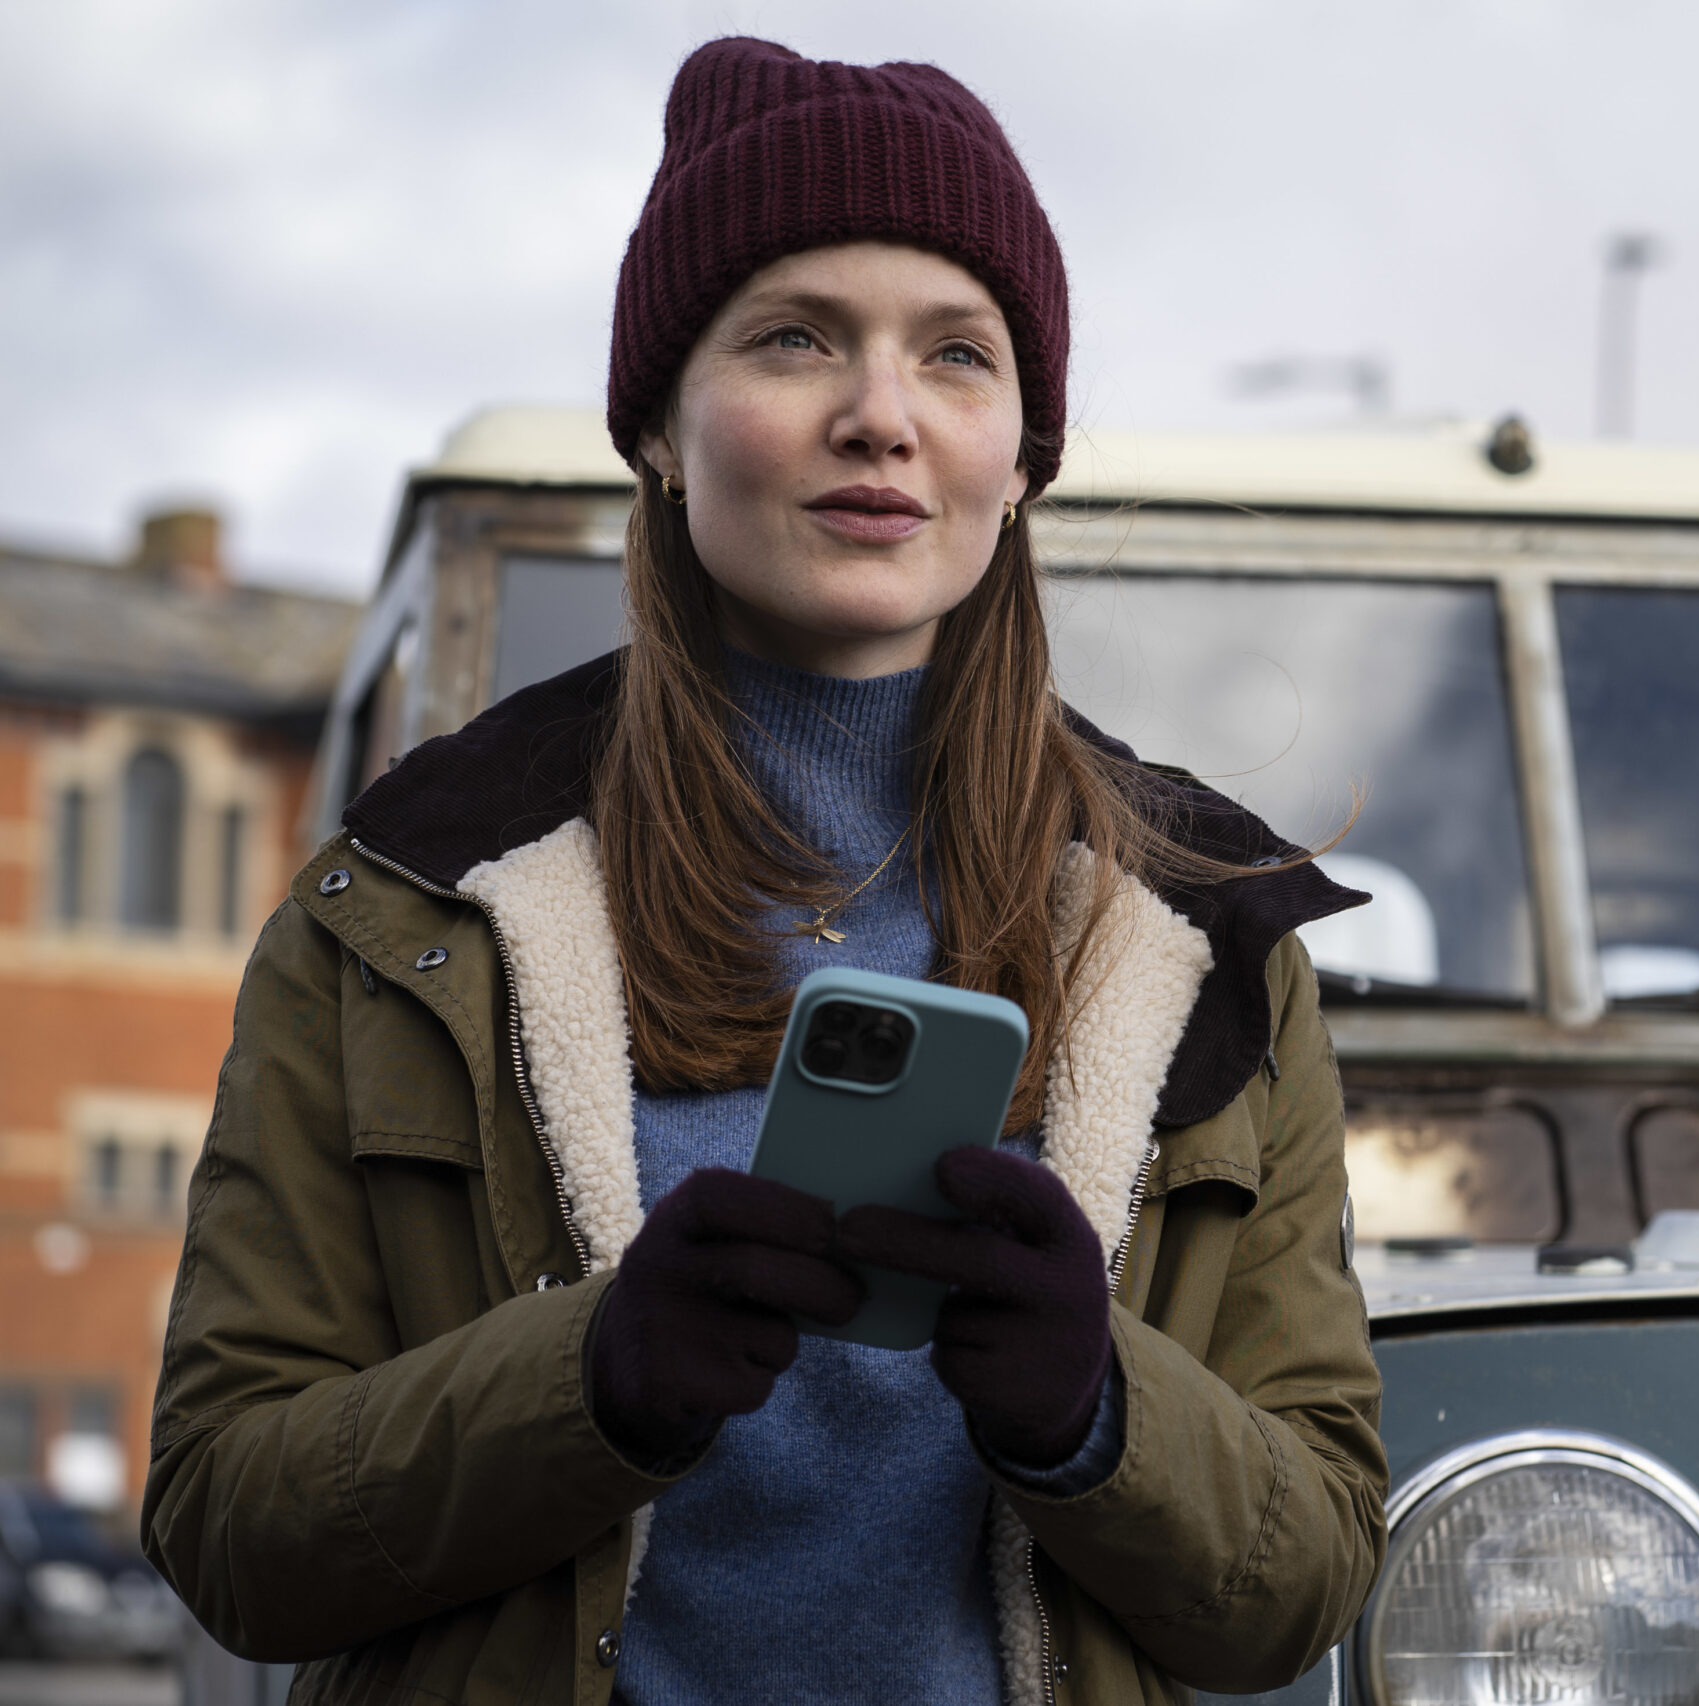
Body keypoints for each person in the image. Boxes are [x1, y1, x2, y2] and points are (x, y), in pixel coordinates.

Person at [143, 38, 1386, 1706]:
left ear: (1020, 458)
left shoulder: (1210, 938)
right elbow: (226, 1521)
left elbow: (1305, 1575)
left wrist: (1098, 1410)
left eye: (957, 354)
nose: (881, 415)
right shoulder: (401, 912)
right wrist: (590, 1379)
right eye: (795, 336)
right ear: (658, 423)